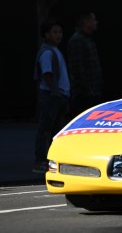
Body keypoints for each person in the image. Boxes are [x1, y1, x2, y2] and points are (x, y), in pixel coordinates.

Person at [32, 18, 71, 173]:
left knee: (56, 129)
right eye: (54, 32)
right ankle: (40, 161)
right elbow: (47, 74)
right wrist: (55, 91)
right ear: (46, 34)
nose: (58, 35)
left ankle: (51, 160)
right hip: (51, 96)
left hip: (58, 96)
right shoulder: (47, 52)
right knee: (45, 129)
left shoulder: (55, 51)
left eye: (60, 32)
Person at [67, 11, 103, 117]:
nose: (96, 22)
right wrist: (87, 90)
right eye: (94, 19)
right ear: (86, 22)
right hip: (83, 95)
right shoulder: (77, 40)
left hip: (92, 92)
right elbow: (77, 69)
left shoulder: (87, 39)